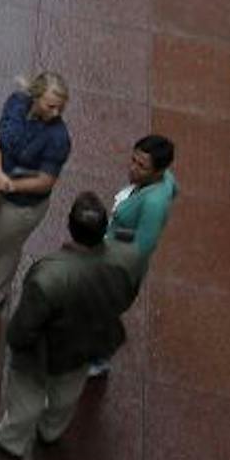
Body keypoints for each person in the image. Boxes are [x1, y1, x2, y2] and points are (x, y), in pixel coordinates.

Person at [0, 193, 136, 460]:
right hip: (89, 342)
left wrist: (17, 341)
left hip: (47, 349)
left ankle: (11, 441)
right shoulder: (123, 261)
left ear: (70, 225)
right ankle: (51, 432)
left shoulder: (50, 273)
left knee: (27, 394)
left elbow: (26, 325)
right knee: (68, 391)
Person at [0, 72, 71, 310]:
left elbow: (45, 181)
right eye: (51, 106)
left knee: (3, 247)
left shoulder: (58, 138)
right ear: (35, 97)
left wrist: (9, 184)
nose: (56, 113)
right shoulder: (17, 102)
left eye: (60, 108)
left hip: (25, 203)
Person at [91, 134, 177, 377]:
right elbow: (174, 187)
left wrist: (107, 254)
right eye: (133, 160)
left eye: (142, 166)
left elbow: (142, 247)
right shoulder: (166, 180)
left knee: (103, 312)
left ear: (158, 170)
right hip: (115, 253)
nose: (133, 169)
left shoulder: (153, 204)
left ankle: (99, 359)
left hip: (119, 268)